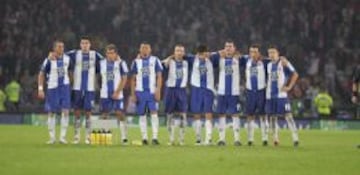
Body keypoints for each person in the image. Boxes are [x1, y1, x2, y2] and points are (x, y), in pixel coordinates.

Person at [65, 36, 103, 144]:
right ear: (80, 45)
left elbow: (106, 61)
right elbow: (61, 55)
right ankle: (76, 136)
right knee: (77, 113)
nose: (85, 45)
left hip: (90, 89)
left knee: (88, 113)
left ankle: (88, 136)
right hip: (77, 88)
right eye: (83, 43)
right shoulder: (74, 54)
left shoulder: (95, 54)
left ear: (90, 45)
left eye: (87, 43)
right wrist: (52, 55)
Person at [38, 40, 71, 144]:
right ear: (54, 48)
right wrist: (40, 89)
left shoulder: (67, 58)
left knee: (65, 111)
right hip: (53, 88)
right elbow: (41, 74)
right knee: (51, 112)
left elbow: (70, 72)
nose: (61, 48)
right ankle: (52, 138)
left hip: (64, 87)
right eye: (59, 47)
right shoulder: (48, 60)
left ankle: (62, 137)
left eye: (63, 46)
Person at [265, 45, 299, 147]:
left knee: (288, 116)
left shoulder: (283, 62)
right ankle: (275, 138)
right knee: (272, 117)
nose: (271, 55)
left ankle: (295, 138)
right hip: (270, 96)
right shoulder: (269, 65)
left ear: (278, 53)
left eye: (273, 52)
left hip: (282, 96)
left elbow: (295, 74)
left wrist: (289, 87)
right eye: (269, 53)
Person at [130, 42, 163, 145]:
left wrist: (158, 90)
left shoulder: (155, 60)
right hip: (140, 92)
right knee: (142, 114)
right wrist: (133, 94)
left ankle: (155, 138)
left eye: (146, 48)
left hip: (152, 91)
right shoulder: (135, 62)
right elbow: (132, 79)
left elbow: (159, 76)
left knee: (154, 113)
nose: (144, 50)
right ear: (140, 50)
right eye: (143, 48)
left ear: (150, 50)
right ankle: (144, 138)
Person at [210, 41, 241, 146]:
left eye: (230, 46)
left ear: (234, 48)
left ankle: (237, 139)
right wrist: (218, 52)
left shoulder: (239, 59)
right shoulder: (219, 58)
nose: (228, 48)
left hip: (234, 92)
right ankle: (221, 139)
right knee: (221, 114)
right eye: (226, 46)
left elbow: (254, 57)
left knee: (235, 114)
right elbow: (207, 57)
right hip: (222, 92)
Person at [99, 44, 129, 144]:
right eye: (108, 53)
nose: (110, 55)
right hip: (105, 93)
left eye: (112, 53)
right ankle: (106, 138)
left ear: (116, 54)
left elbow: (124, 79)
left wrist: (117, 92)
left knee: (119, 113)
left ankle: (124, 138)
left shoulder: (121, 63)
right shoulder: (101, 63)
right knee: (104, 114)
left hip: (118, 94)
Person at [187, 45, 215, 145]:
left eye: (204, 54)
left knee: (208, 113)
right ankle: (198, 139)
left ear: (207, 53)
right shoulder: (192, 59)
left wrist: (212, 54)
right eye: (200, 54)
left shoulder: (213, 59)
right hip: (196, 89)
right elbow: (179, 55)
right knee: (197, 113)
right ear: (197, 54)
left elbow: (224, 52)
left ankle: (209, 139)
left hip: (208, 89)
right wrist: (169, 58)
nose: (202, 56)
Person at [162, 44, 188, 145]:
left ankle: (181, 139)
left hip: (181, 91)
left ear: (184, 53)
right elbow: (157, 65)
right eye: (177, 51)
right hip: (170, 90)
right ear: (174, 52)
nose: (179, 53)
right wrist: (168, 58)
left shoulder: (187, 62)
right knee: (169, 115)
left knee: (183, 115)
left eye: (181, 51)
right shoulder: (169, 62)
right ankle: (171, 139)